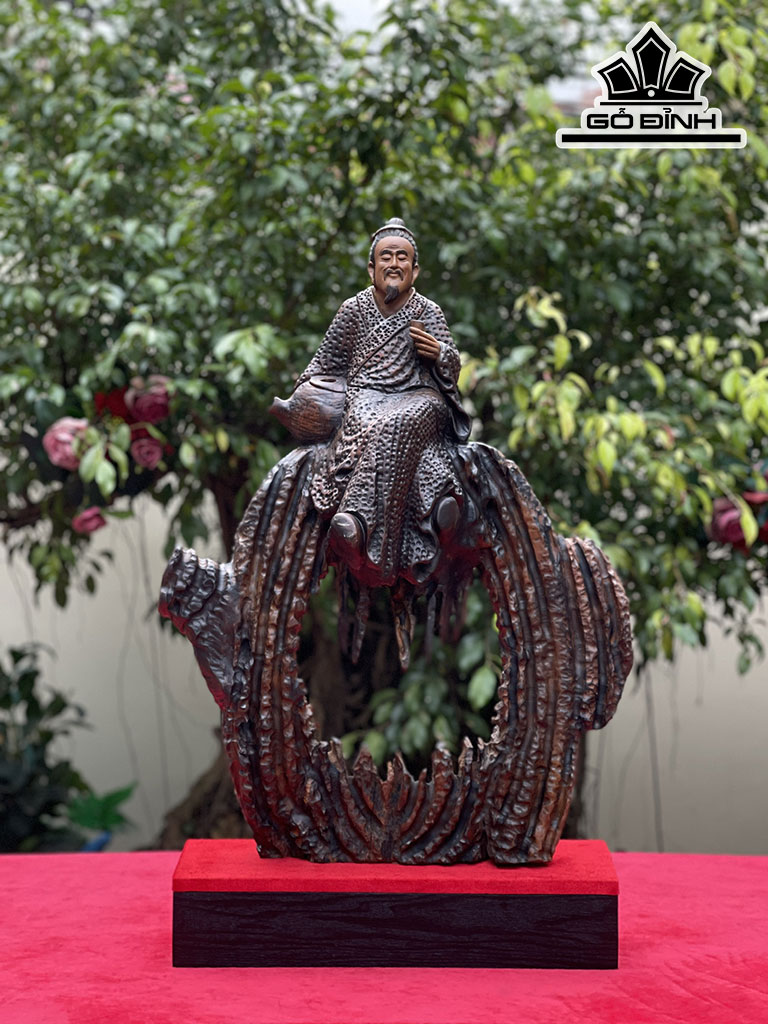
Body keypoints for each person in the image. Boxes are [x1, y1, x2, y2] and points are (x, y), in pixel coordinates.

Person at [293, 217, 470, 587]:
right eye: (386, 257)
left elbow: (453, 363)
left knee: (402, 418)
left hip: (420, 398)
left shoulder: (428, 311)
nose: (394, 264)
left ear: (415, 270)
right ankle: (428, 506)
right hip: (366, 397)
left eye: (402, 258)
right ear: (371, 268)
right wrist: (305, 396)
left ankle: (358, 521)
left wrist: (439, 353)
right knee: (370, 419)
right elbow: (323, 364)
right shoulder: (353, 310)